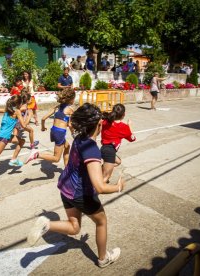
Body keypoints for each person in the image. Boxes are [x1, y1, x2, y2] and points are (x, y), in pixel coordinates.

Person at [27, 103, 125, 268]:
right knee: (101, 222)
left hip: (66, 189)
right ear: (98, 124)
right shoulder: (92, 149)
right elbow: (100, 187)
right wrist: (118, 186)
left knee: (74, 227)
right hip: (81, 194)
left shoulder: (79, 138)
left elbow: (72, 124)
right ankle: (103, 259)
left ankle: (46, 224)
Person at [25, 88, 76, 166]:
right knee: (56, 158)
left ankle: (66, 168)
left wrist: (43, 127)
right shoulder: (70, 110)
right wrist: (73, 135)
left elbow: (43, 118)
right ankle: (37, 154)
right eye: (74, 98)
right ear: (71, 99)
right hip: (60, 133)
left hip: (54, 130)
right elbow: (70, 125)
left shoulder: (57, 107)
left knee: (67, 146)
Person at [0, 95, 27, 167]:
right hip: (4, 136)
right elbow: (24, 126)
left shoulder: (8, 110)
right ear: (19, 104)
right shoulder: (17, 111)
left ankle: (14, 159)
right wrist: (28, 117)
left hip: (5, 135)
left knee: (22, 141)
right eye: (21, 103)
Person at [100, 104, 136, 184]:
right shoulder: (123, 127)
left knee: (118, 162)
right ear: (124, 115)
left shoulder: (105, 122)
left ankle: (102, 169)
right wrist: (130, 125)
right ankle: (93, 192)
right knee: (106, 178)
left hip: (104, 149)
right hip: (110, 151)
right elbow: (132, 139)